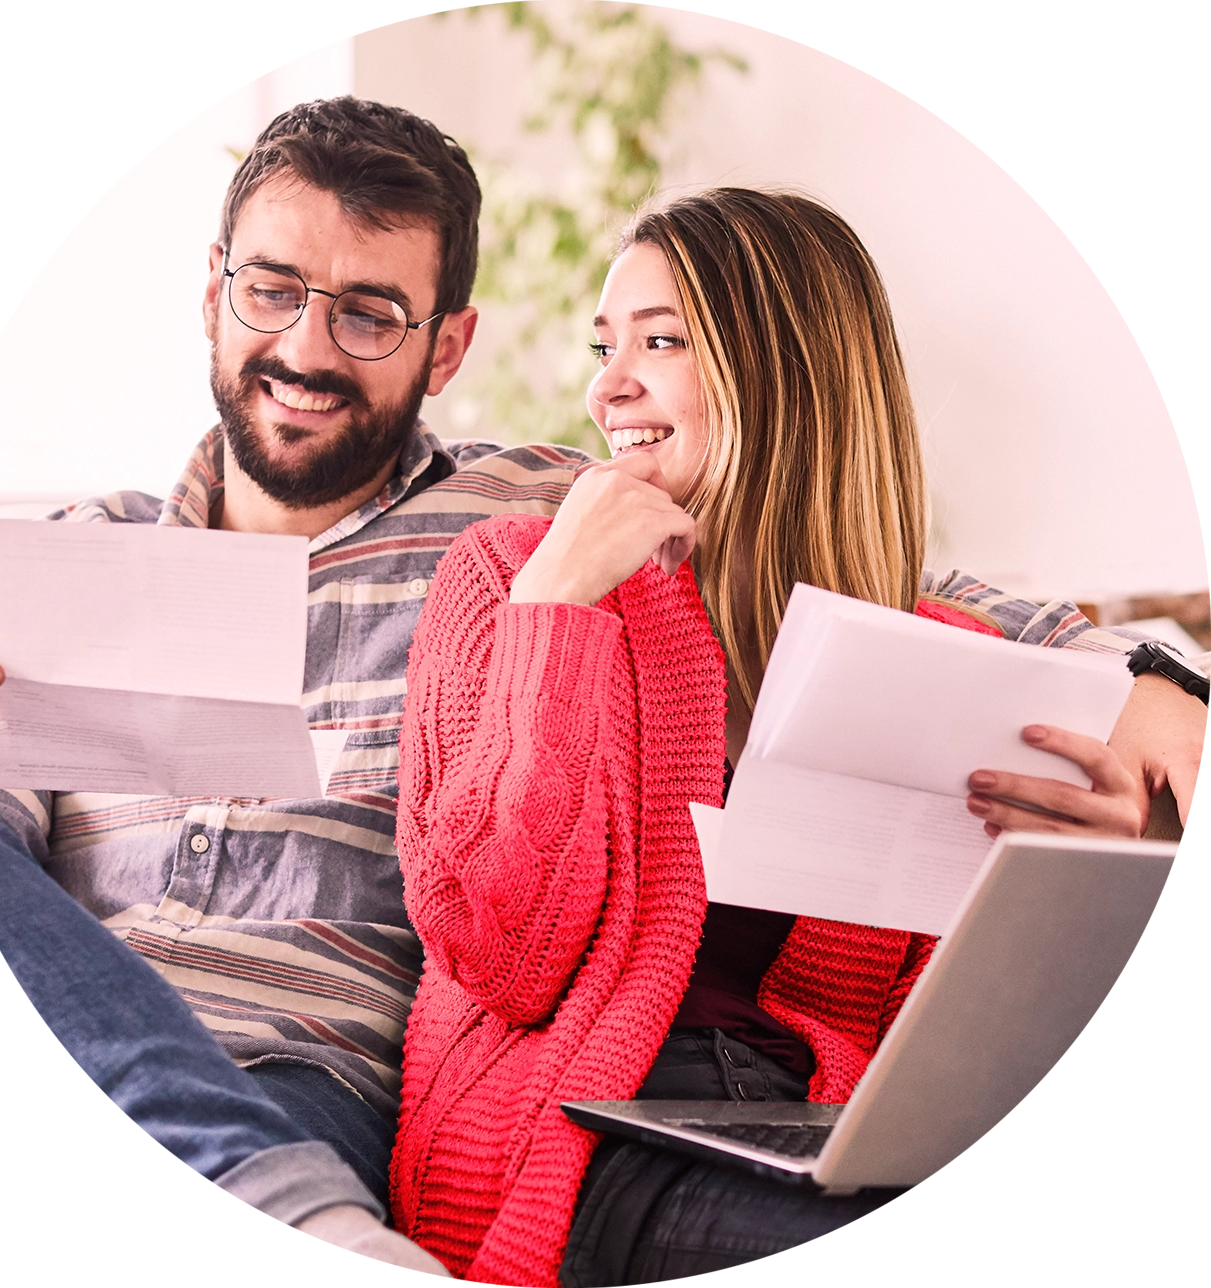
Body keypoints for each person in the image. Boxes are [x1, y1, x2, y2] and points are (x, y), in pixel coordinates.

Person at [0, 117, 1202, 1275]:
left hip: (308, 1062)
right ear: (214, 293)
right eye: (271, 290)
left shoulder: (540, 518)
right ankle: (269, 1203)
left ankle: (263, 1200)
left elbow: (826, 552)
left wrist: (1143, 683)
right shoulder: (60, 548)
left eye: (370, 311)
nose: (307, 347)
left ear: (448, 346)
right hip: (64, 1017)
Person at [384, 188, 1209, 1288]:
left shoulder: (947, 655)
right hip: (586, 1142)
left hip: (837, 1134)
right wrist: (559, 609)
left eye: (661, 341)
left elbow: (970, 1042)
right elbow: (502, 957)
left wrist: (1090, 879)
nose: (606, 385)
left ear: (788, 371)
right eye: (604, 345)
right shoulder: (509, 582)